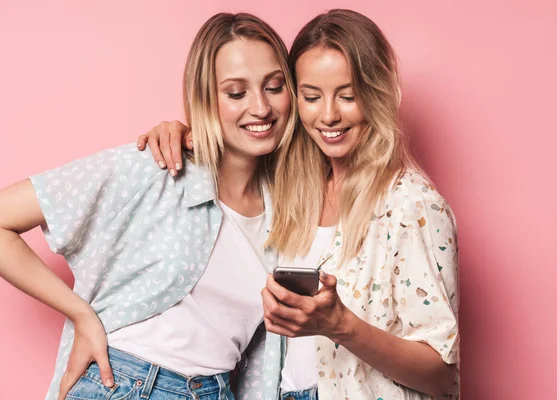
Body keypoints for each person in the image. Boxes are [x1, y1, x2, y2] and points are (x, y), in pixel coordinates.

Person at [141, 9, 460, 400]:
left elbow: (441, 375)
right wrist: (180, 131)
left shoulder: (412, 205)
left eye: (348, 96)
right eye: (311, 96)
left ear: (376, 94)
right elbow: (239, 135)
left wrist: (341, 324)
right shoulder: (287, 189)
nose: (328, 115)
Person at [0, 13, 297, 400]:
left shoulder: (290, 206)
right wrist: (80, 313)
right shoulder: (156, 166)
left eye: (274, 87)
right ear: (206, 99)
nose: (260, 107)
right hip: (129, 382)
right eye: (236, 93)